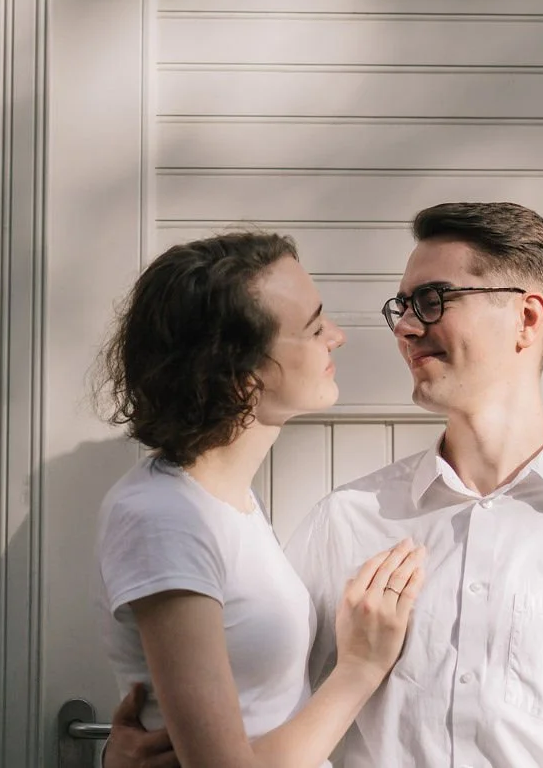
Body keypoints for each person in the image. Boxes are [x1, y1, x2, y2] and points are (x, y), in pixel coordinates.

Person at [105, 202, 543, 768]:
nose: (402, 327)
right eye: (401, 307)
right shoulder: (344, 522)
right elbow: (260, 715)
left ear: (526, 318)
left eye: (431, 300)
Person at [94, 231, 426, 768]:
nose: (337, 336)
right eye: (314, 328)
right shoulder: (165, 517)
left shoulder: (226, 503)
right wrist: (359, 670)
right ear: (240, 374)